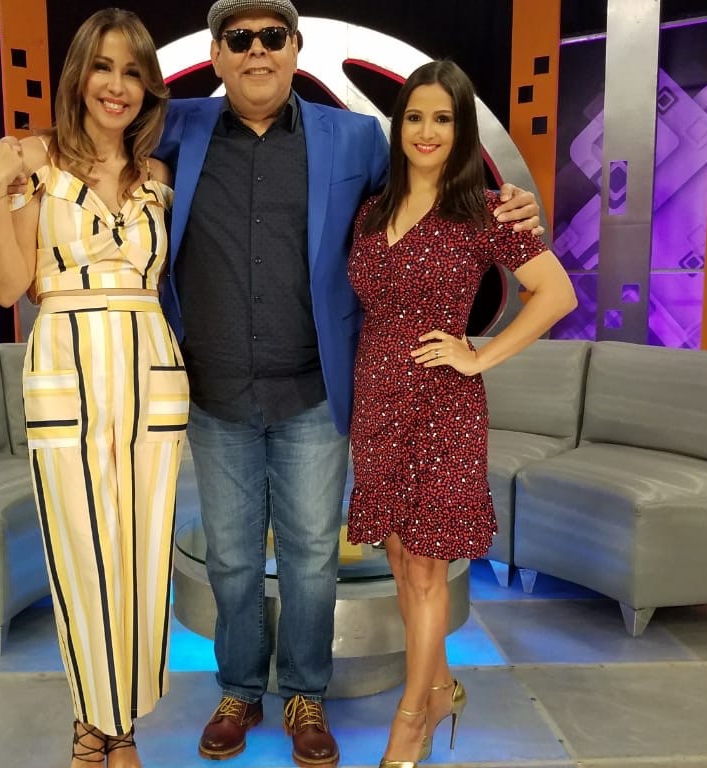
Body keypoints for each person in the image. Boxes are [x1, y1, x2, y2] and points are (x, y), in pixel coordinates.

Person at [152, 3, 544, 766]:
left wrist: (511, 206)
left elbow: (432, 189)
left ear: (296, 49)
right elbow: (96, 132)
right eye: (240, 39)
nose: (257, 51)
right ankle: (239, 689)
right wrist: (17, 160)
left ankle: (305, 693)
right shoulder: (180, 126)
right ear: (217, 55)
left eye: (272, 37)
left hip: (314, 391)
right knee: (231, 556)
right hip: (216, 390)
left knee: (310, 556)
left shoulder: (356, 138)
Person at [346, 60, 577, 768]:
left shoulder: (484, 210)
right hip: (377, 402)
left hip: (442, 407)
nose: (427, 131)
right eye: (415, 116)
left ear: (462, 129)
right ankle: (441, 687)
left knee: (426, 568)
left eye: (442, 118)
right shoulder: (372, 209)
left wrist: (480, 354)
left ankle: (412, 717)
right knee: (400, 558)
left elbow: (556, 293)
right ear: (399, 126)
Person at [0, 9, 181, 768]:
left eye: (132, 72)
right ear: (78, 75)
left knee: (142, 555)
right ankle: (104, 728)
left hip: (152, 368)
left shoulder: (158, 177)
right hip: (66, 359)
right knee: (80, 550)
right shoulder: (32, 160)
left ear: (148, 87)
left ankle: (109, 724)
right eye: (103, 66)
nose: (116, 85)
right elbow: (6, 287)